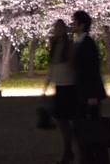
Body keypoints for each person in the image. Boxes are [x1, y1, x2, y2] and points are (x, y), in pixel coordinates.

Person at [71, 10, 108, 164]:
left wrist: (92, 95)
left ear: (82, 24)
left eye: (74, 22)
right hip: (83, 92)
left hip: (89, 93)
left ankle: (96, 159)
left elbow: (92, 69)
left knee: (92, 128)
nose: (72, 24)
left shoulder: (88, 44)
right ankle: (88, 158)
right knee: (84, 127)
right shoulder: (81, 42)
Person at [42, 19, 77, 164]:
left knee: (69, 121)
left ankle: (70, 152)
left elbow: (74, 66)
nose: (57, 30)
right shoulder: (55, 46)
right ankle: (68, 151)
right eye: (55, 28)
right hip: (60, 87)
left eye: (59, 27)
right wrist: (46, 85)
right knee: (62, 121)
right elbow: (52, 67)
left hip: (70, 87)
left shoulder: (70, 46)